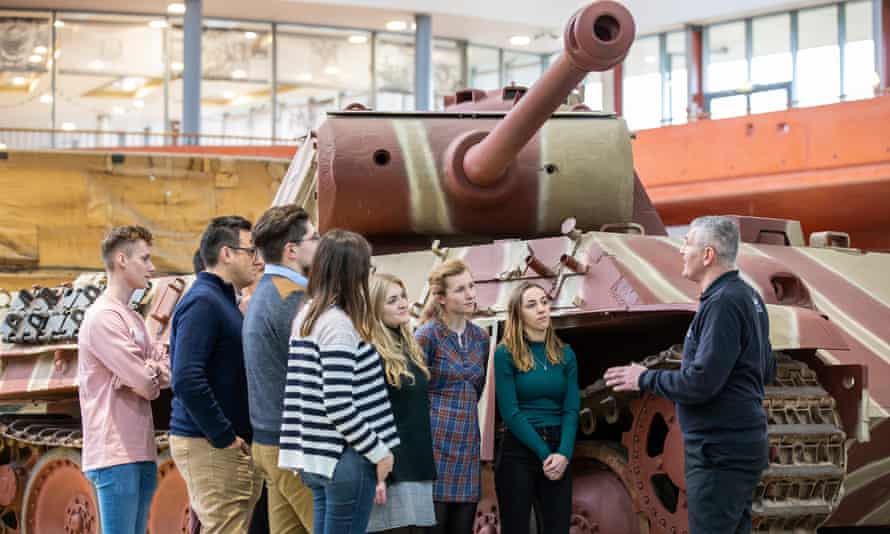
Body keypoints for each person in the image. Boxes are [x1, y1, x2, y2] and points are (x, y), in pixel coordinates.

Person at [604, 216, 776, 534]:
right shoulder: (750, 297)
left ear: (708, 254)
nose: (681, 250)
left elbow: (701, 382)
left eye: (688, 243)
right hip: (741, 445)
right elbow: (767, 369)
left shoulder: (722, 303)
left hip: (717, 452)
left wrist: (644, 378)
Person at [278, 229, 399, 534]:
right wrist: (379, 451)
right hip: (346, 458)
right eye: (367, 269)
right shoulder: (339, 326)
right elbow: (339, 404)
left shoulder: (307, 315)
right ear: (352, 274)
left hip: (317, 457)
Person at [169, 215, 264, 534]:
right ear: (226, 253)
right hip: (208, 443)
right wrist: (224, 436)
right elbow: (185, 377)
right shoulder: (203, 302)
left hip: (215, 442)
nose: (256, 259)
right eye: (250, 251)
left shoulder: (218, 300)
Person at [78, 225, 170, 534]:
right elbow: (146, 383)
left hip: (140, 450)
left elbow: (164, 371)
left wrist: (141, 372)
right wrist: (144, 373)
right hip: (115, 453)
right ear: (121, 259)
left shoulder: (131, 318)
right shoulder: (103, 317)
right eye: (144, 259)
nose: (152, 267)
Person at [243, 205, 318, 534]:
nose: (320, 244)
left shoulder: (265, 291)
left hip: (270, 442)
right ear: (291, 250)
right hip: (294, 446)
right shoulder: (293, 298)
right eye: (314, 238)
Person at [493, 281, 579, 534]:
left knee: (557, 528)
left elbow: (572, 408)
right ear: (518, 314)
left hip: (558, 449)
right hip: (518, 450)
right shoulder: (505, 353)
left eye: (544, 301)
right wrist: (545, 454)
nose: (542, 309)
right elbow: (510, 412)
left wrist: (563, 454)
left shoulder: (566, 354)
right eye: (532, 305)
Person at [415, 259, 490, 534]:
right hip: (434, 449)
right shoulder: (426, 336)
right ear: (441, 298)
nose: (470, 294)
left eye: (471, 286)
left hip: (467, 447)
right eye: (460, 289)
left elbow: (476, 391)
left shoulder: (481, 338)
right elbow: (414, 396)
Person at [366, 273, 437, 534]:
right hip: (392, 471)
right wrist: (377, 474)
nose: (402, 303)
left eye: (403, 296)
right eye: (392, 300)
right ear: (374, 307)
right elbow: (369, 415)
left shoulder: (409, 347)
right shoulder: (371, 352)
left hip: (417, 465)